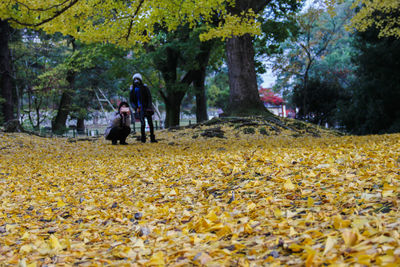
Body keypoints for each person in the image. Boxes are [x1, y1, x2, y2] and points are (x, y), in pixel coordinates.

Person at [129, 73, 157, 143]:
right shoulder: (132, 89)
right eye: (134, 79)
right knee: (142, 124)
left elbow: (149, 98)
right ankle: (143, 138)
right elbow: (131, 100)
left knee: (150, 123)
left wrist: (149, 107)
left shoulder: (145, 87)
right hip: (139, 108)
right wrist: (135, 108)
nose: (136, 81)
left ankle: (152, 138)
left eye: (137, 79)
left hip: (146, 108)